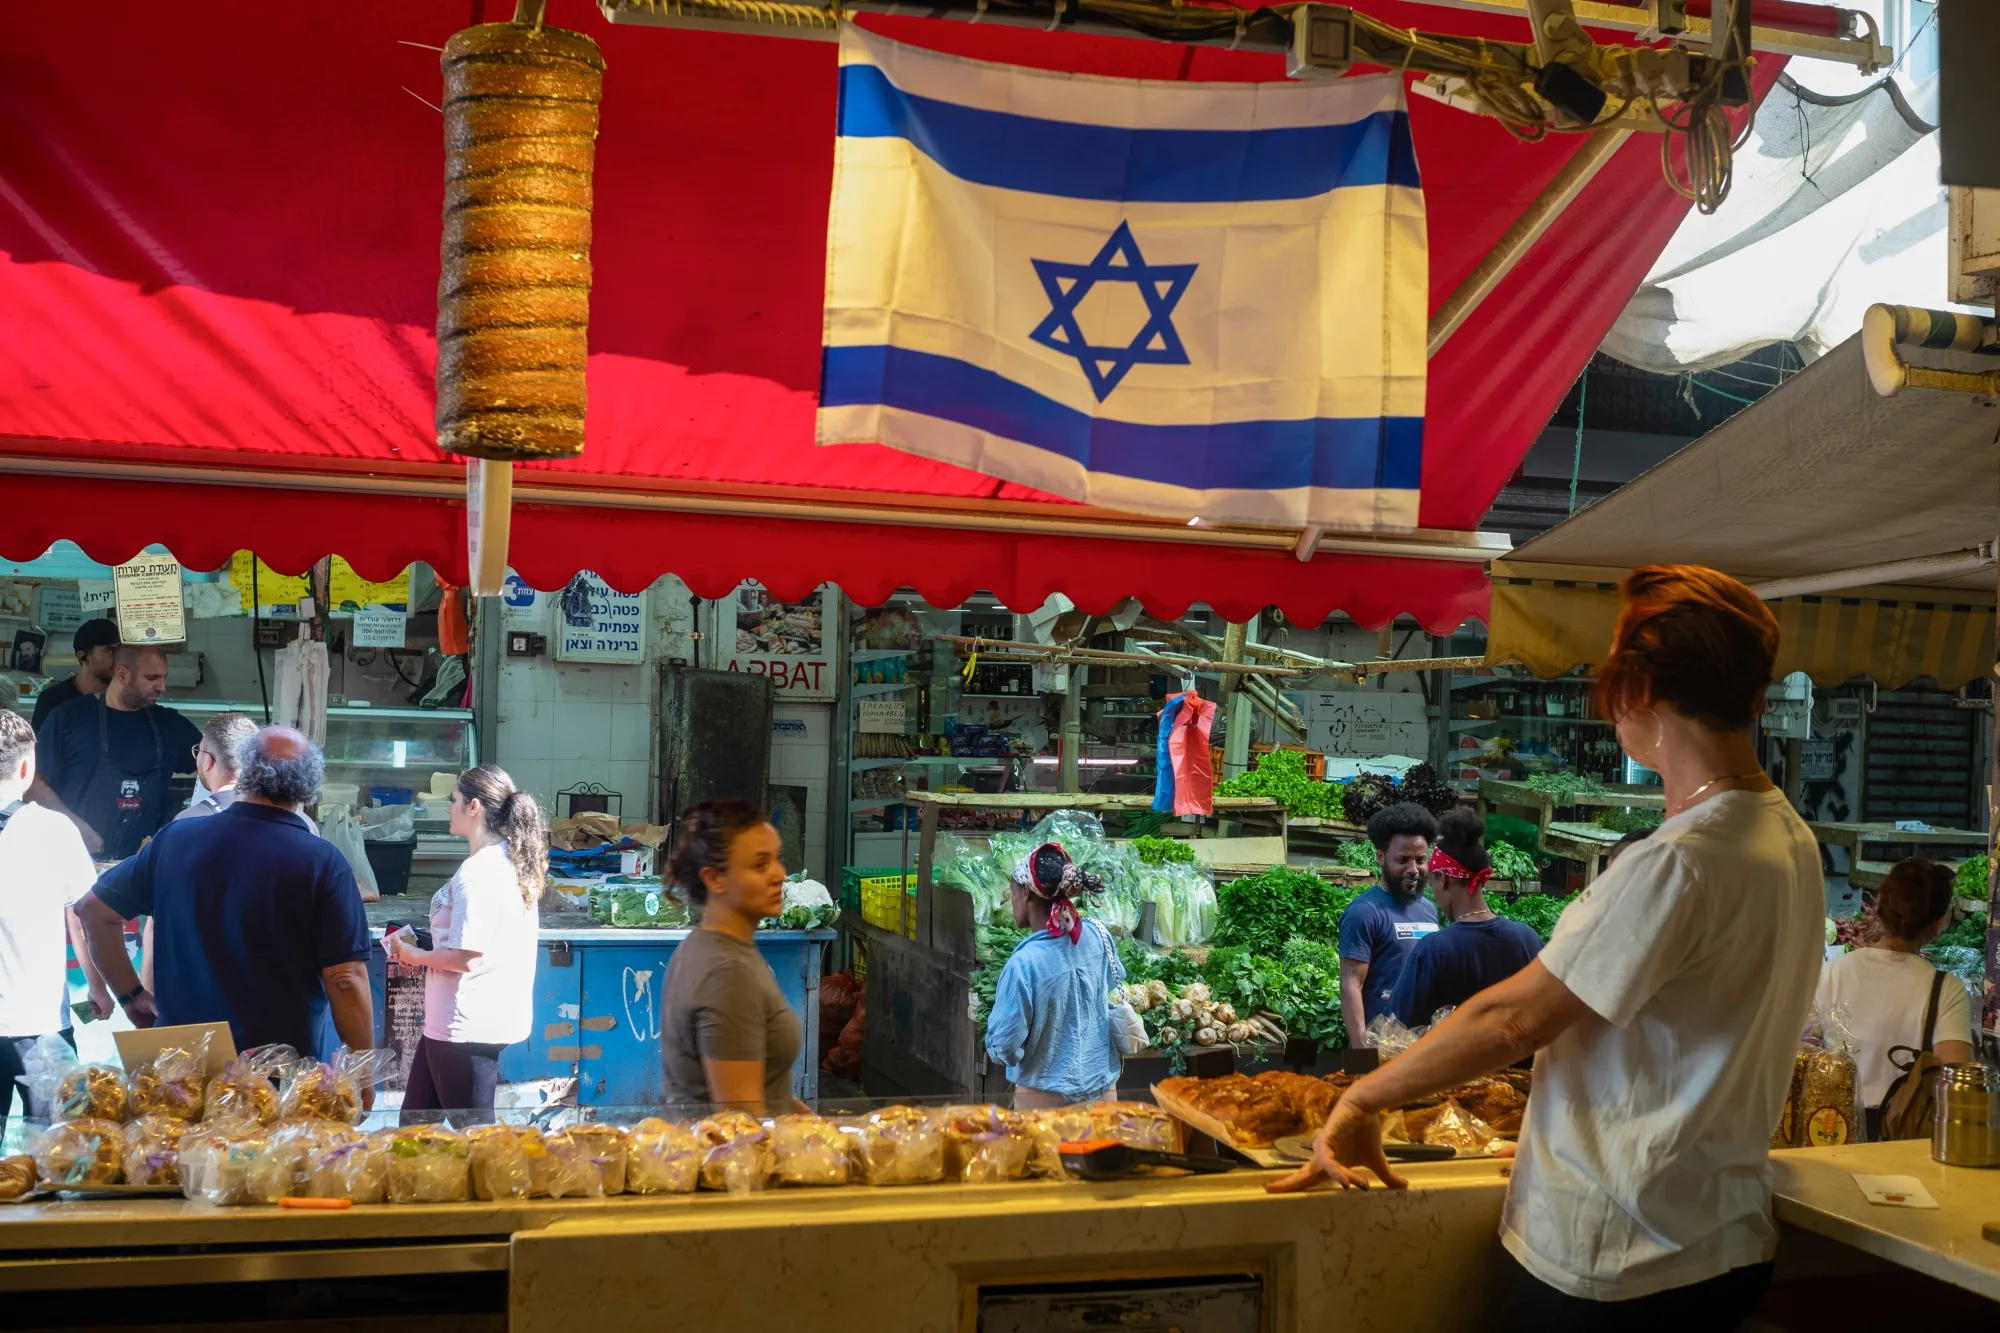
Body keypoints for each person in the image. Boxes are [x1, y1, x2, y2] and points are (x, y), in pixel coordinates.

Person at [1273, 565, 1823, 1331]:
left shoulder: (1678, 860)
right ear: (1758, 697)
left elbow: (1513, 1021)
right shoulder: (1788, 838)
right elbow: (1674, 1042)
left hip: (1619, 1257)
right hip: (1721, 1239)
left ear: (1633, 694)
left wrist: (1364, 1095)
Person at [75, 726, 375, 1069]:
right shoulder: (322, 861)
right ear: (309, 786)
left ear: (245, 771)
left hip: (183, 1066)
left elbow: (92, 912)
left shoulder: (175, 840)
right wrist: (362, 1074)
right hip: (279, 1072)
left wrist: (132, 997)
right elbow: (345, 979)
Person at [384, 765, 546, 1123]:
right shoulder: (504, 862)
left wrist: (415, 954)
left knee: (475, 1137)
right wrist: (429, 946)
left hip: (466, 1025)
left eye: (453, 799)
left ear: (474, 807)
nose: (447, 807)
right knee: (415, 1125)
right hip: (456, 1022)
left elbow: (465, 957)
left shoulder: (480, 873)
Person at [0, 712, 111, 1125]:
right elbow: (82, 916)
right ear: (27, 769)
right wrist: (98, 987)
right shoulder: (56, 830)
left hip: (39, 1023)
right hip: (41, 1026)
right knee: (56, 1154)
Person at [657, 799, 801, 1115]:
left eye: (777, 859)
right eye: (760, 864)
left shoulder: (706, 946)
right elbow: (741, 1128)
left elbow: (762, 1086)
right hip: (727, 1160)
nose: (779, 874)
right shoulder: (728, 973)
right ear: (714, 879)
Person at [1815, 858, 1975, 1137]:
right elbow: (1958, 1086)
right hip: (1903, 1142)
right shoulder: (1945, 990)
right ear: (1938, 923)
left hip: (1828, 1131)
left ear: (1879, 909)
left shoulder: (1830, 974)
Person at [984, 842, 1123, 1110]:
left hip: (1046, 1103)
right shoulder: (1097, 934)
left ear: (1026, 893)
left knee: (1048, 1155)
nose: (1010, 900)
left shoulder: (1023, 965)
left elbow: (1006, 1046)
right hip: (1104, 1097)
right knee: (1098, 1153)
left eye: (1012, 892)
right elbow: (1106, 986)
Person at [28, 644, 202, 858]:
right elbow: (34, 784)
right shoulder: (69, 718)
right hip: (77, 860)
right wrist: (73, 828)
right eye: (152, 678)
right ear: (122, 674)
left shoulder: (170, 724)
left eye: (163, 677)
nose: (162, 687)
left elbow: (216, 767)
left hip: (143, 864)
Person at [1389, 807, 1543, 1029]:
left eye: (1432, 885)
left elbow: (1396, 1026)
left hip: (1457, 1063)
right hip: (1522, 1063)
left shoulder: (1434, 949)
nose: (1435, 895)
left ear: (1442, 879)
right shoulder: (1527, 938)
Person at [1337, 802, 1440, 1035]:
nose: (1414, 869)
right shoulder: (1363, 912)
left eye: (1421, 860)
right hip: (1380, 1044)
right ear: (1381, 857)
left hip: (1421, 1043)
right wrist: (1359, 1048)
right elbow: (1351, 984)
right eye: (1403, 860)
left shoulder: (1429, 910)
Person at [29, 618, 118, 733]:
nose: (118, 657)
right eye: (109, 650)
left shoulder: (124, 699)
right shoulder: (53, 700)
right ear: (83, 657)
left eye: (119, 649)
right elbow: (40, 747)